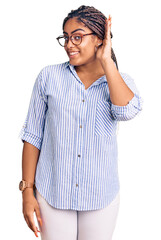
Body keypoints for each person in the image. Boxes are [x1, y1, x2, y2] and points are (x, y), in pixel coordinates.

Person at [19, 5, 143, 240]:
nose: (68, 44)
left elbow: (127, 111)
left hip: (100, 197)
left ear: (99, 39)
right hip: (52, 192)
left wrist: (107, 61)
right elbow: (33, 136)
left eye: (77, 37)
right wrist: (27, 192)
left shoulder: (119, 81)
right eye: (65, 38)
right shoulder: (49, 77)